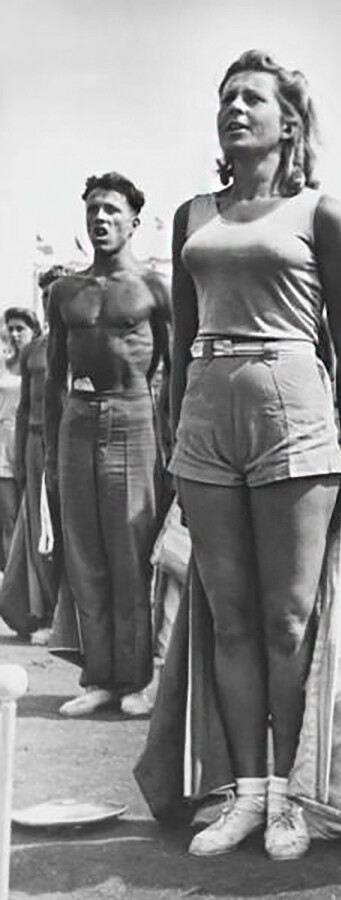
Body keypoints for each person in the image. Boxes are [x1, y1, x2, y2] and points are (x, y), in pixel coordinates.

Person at [168, 50, 341, 860]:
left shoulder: (323, 213)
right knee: (229, 616)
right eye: (225, 98)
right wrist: (175, 446)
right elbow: (179, 343)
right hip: (206, 415)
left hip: (294, 409)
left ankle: (291, 794)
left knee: (288, 619)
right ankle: (247, 793)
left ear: (290, 120)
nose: (234, 108)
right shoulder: (190, 214)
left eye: (251, 98)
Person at [44, 172, 171, 719]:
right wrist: (50, 454)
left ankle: (137, 678)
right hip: (78, 419)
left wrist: (174, 440)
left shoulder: (153, 289)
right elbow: (52, 378)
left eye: (112, 211)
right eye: (93, 209)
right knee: (85, 554)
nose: (100, 219)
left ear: (134, 221)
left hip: (133, 414)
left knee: (130, 552)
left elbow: (176, 368)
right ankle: (98, 677)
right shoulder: (65, 292)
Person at [0, 269, 67, 642]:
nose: (50, 303)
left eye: (56, 295)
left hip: (71, 443)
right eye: (45, 298)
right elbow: (25, 408)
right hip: (36, 443)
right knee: (38, 529)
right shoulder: (33, 350)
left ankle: (69, 618)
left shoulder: (81, 342)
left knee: (69, 528)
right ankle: (42, 614)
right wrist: (23, 456)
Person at [0, 307, 40, 570]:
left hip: (31, 443)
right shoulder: (2, 363)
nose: (15, 334)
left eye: (20, 329)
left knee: (33, 516)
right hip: (3, 446)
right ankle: (9, 580)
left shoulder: (41, 363)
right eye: (11, 328)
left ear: (33, 330)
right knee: (8, 516)